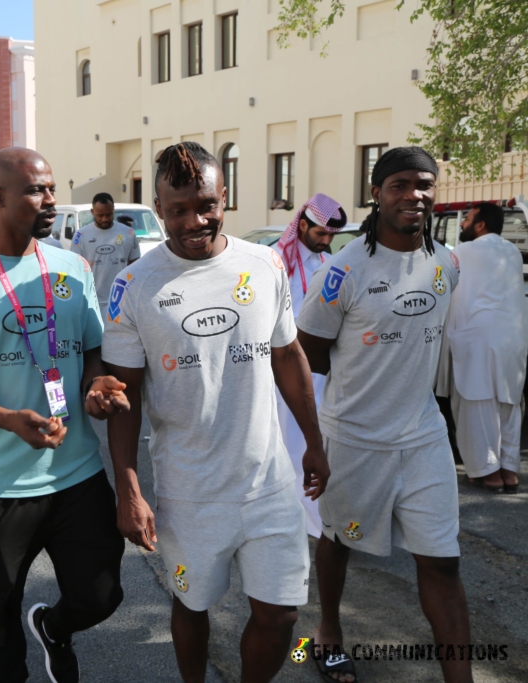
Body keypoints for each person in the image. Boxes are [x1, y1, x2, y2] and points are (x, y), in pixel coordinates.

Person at [103, 142, 327, 683]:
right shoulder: (133, 286)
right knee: (192, 606)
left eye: (205, 204)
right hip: (189, 490)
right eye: (177, 209)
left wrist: (314, 441)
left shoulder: (264, 263)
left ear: (223, 197)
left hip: (268, 483)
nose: (194, 220)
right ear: (158, 208)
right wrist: (129, 490)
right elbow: (124, 398)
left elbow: (288, 354)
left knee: (281, 615)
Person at [0, 147, 128, 683]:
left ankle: (55, 628)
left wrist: (97, 381)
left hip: (76, 473)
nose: (51, 199)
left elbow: (92, 352)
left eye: (51, 187)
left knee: (101, 594)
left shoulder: (72, 267)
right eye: (37, 189)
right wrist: (9, 418)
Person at [297, 147, 470, 683]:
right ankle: (325, 633)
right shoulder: (343, 269)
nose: (413, 195)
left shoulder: (446, 263)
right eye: (398, 185)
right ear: (376, 193)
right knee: (339, 540)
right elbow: (309, 351)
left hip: (422, 437)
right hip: (354, 441)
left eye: (423, 184)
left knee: (442, 561)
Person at [272, 194, 348, 537]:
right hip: (282, 368)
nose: (326, 240)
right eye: (321, 233)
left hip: (321, 368)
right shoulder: (275, 259)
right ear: (301, 224)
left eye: (331, 236)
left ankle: (318, 514)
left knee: (317, 439)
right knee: (287, 439)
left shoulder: (327, 261)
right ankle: (292, 513)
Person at [442, 202, 527, 493]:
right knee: (508, 403)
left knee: (477, 402)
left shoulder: (462, 252)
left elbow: (449, 294)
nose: (463, 224)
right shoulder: (512, 252)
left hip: (476, 337)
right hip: (512, 339)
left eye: (466, 219)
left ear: (480, 225)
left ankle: (487, 472)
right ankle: (509, 471)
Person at [70, 193, 140, 310]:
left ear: (114, 210)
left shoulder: (128, 233)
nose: (105, 219)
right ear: (92, 212)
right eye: (100, 215)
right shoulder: (81, 236)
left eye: (109, 214)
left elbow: (135, 266)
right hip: (92, 302)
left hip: (122, 301)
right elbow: (75, 269)